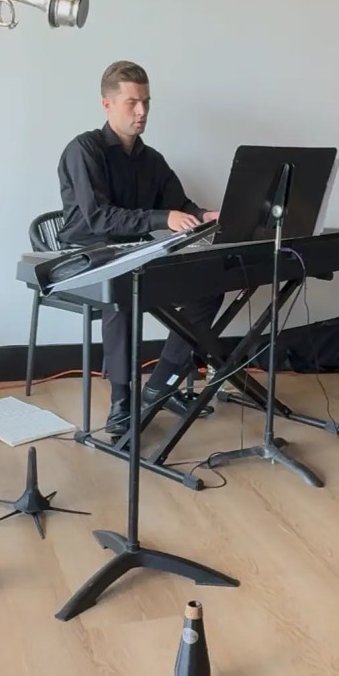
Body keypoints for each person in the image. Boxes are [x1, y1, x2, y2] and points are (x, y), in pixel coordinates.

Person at [57, 60, 222, 434]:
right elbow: (99, 218)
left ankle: (160, 384)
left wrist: (205, 215)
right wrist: (162, 219)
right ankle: (121, 399)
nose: (142, 111)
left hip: (135, 254)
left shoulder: (152, 160)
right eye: (132, 102)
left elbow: (180, 205)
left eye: (146, 101)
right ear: (107, 104)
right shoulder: (84, 149)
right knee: (123, 287)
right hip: (84, 256)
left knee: (210, 286)